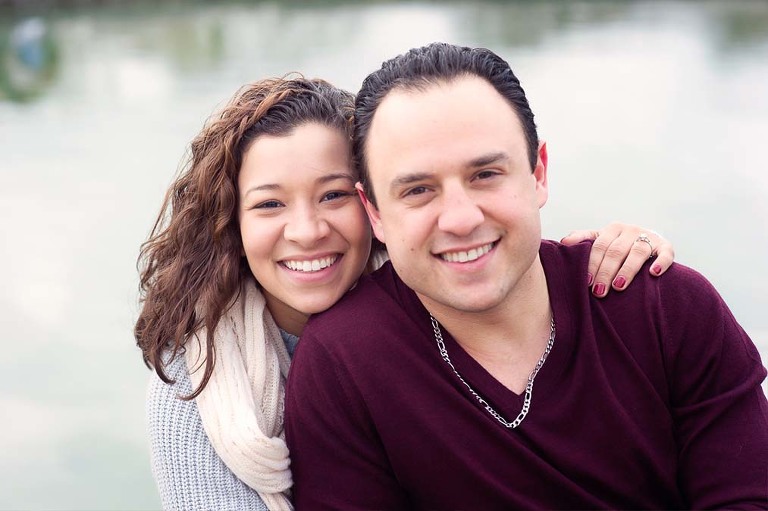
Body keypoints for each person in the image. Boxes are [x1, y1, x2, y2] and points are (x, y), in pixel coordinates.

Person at [135, 76, 676, 511]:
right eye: (269, 205)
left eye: (333, 195)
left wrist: (621, 250)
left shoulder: (442, 286)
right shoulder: (197, 382)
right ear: (230, 224)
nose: (306, 231)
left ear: (375, 206)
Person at [284, 43, 768, 510]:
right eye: (417, 190)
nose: (460, 218)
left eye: (486, 174)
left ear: (538, 173)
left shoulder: (662, 307)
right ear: (375, 213)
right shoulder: (344, 361)